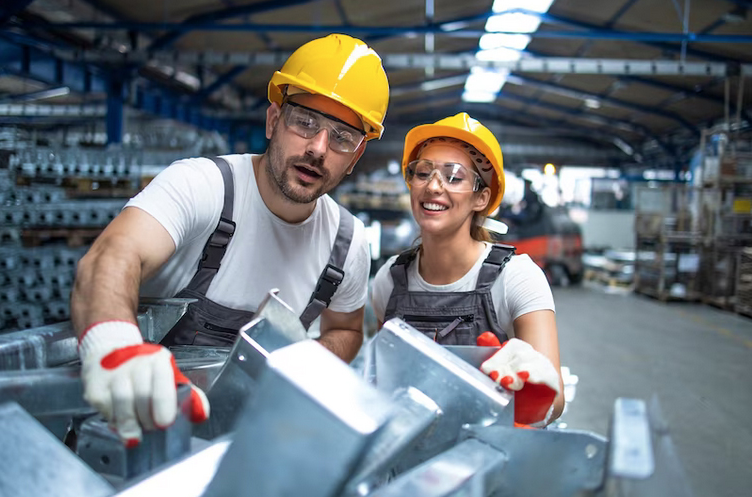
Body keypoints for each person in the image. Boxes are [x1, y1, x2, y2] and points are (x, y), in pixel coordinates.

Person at [71, 34, 390, 446]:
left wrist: (298, 365)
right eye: (305, 122)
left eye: (342, 138)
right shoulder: (203, 185)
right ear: (273, 120)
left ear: (356, 156)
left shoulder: (347, 243)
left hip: (253, 446)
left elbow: (346, 329)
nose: (318, 148)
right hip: (136, 436)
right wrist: (113, 344)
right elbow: (112, 256)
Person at [371, 113, 564, 425]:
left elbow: (554, 399)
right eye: (423, 173)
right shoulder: (389, 282)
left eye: (454, 176)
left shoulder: (516, 278)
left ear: (481, 198)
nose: (433, 186)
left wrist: (533, 397)